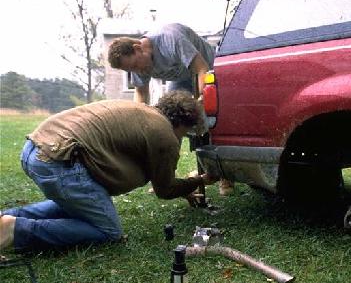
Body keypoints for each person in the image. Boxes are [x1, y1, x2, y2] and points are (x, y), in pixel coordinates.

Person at [0, 91, 216, 252]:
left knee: (78, 204)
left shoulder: (143, 113)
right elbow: (164, 189)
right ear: (183, 123)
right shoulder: (164, 134)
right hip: (59, 162)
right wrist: (200, 180)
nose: (183, 137)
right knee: (108, 232)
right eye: (187, 132)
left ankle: (6, 219)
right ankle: (16, 230)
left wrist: (184, 188)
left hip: (35, 148)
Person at [107, 22, 234, 196]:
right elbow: (141, 94)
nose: (137, 71)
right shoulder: (135, 62)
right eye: (131, 70)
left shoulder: (170, 39)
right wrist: (140, 121)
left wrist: (201, 101)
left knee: (209, 120)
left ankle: (225, 176)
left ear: (138, 47)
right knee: (168, 122)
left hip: (207, 70)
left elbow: (201, 68)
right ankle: (167, 178)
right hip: (181, 78)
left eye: (136, 66)